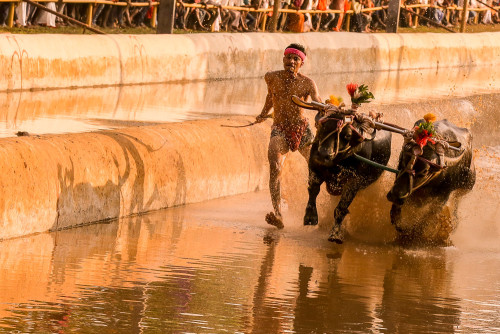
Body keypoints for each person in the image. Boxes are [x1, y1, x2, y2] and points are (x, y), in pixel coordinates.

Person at [255, 43, 323, 229]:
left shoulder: (307, 83)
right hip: (280, 128)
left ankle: (321, 207)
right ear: (283, 59)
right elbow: (271, 96)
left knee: (318, 168)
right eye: (288, 58)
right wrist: (263, 113)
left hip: (301, 130)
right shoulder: (271, 77)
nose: (291, 62)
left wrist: (328, 109)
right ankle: (278, 215)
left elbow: (317, 101)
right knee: (275, 167)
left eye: (296, 59)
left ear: (301, 63)